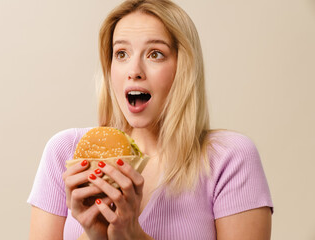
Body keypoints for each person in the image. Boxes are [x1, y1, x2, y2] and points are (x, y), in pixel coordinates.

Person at [28, 0, 273, 239]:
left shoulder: (229, 158)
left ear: (183, 68)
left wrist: (133, 236)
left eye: (155, 54)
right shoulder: (67, 152)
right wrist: (95, 234)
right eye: (121, 53)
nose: (134, 70)